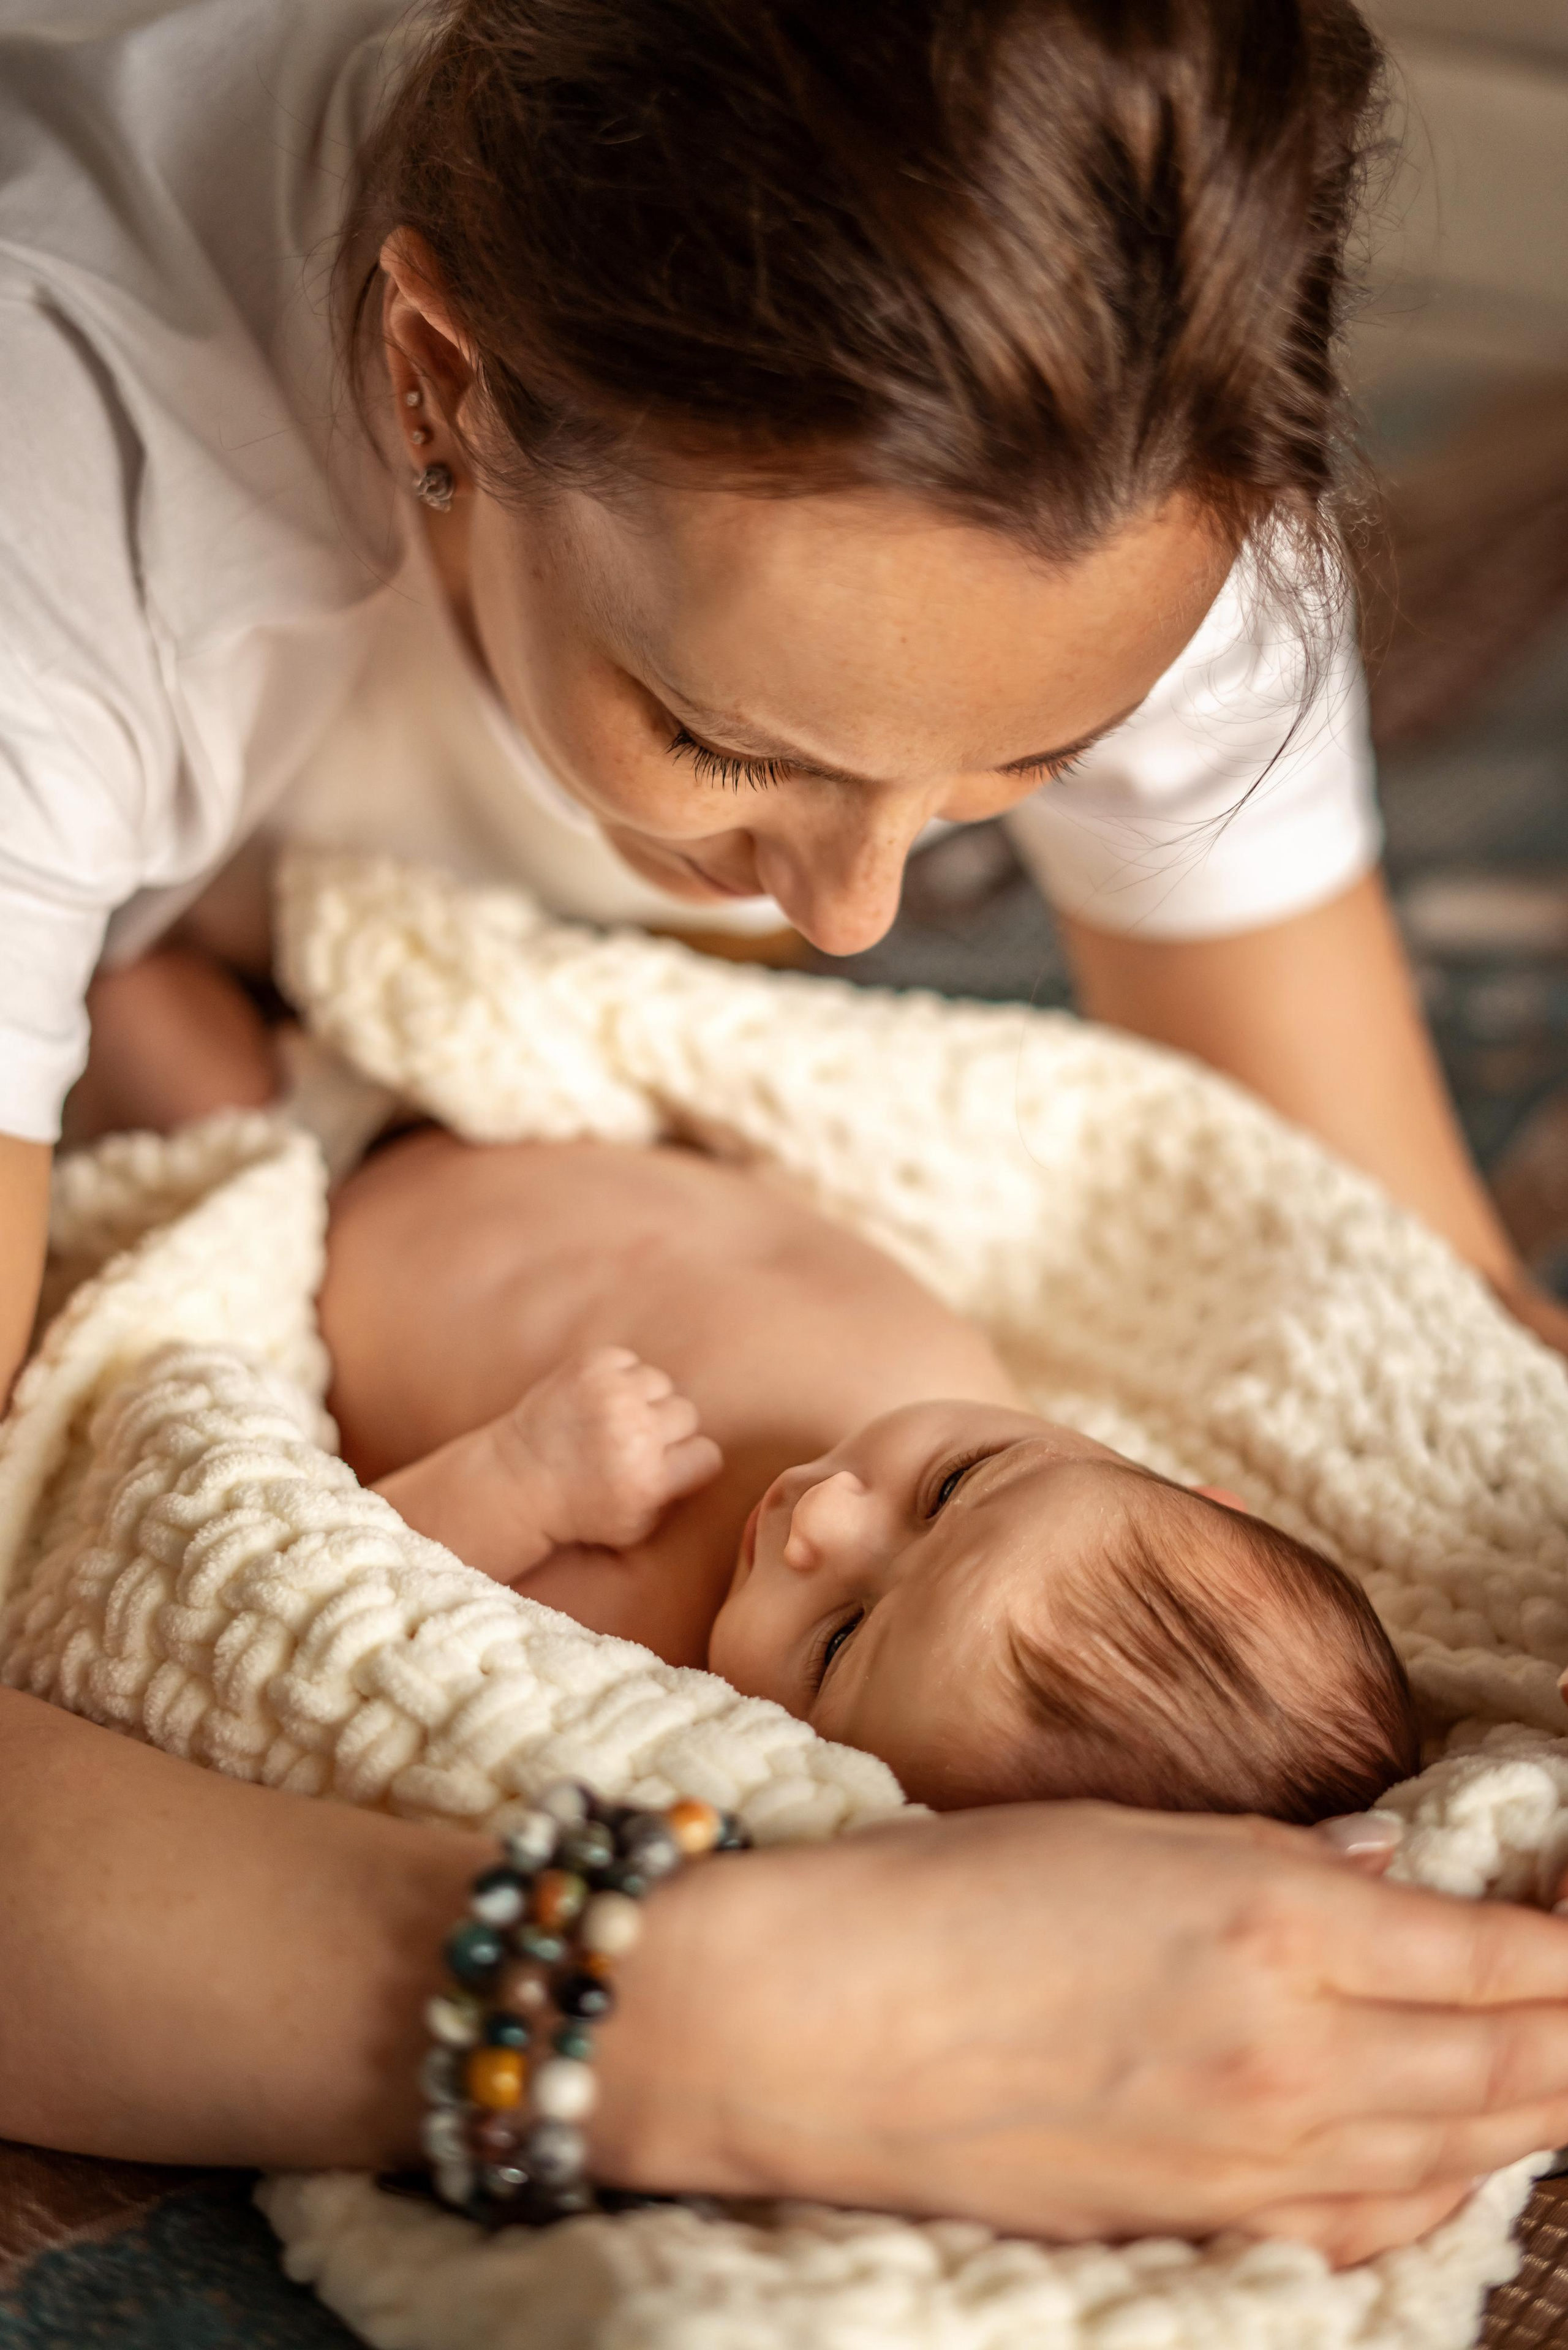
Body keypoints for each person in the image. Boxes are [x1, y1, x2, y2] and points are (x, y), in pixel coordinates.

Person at [4, 0, 1568, 2264]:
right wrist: (740, 2008)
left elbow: (1417, 1298)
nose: (853, 919)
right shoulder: (73, 505)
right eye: (729, 738)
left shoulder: (1115, 419)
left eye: (1021, 771)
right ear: (435, 377)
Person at [325, 1126, 1420, 1821]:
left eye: (841, 1639)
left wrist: (518, 1477)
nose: (828, 1517)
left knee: (165, 1008)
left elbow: (354, 1589)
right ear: (1163, 1475)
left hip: (305, 1191)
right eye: (949, 1488)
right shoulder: (974, 1377)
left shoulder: (629, 1644)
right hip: (507, 1093)